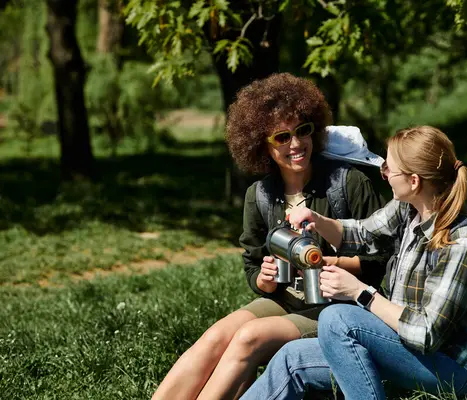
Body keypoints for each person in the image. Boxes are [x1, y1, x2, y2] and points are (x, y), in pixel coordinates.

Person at [152, 73, 389, 400]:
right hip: (285, 298)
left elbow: (383, 260)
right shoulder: (260, 195)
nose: (295, 144)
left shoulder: (348, 185)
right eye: (281, 137)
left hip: (341, 307)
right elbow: (252, 266)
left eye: (302, 131)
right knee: (215, 337)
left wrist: (330, 263)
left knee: (250, 337)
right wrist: (264, 280)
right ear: (261, 144)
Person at [240, 126, 467, 400]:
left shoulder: (463, 242)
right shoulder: (410, 208)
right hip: (407, 346)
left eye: (388, 170)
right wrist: (316, 220)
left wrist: (359, 292)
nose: (384, 176)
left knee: (337, 318)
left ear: (414, 181)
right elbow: (362, 233)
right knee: (292, 357)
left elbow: (426, 334)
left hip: (457, 368)